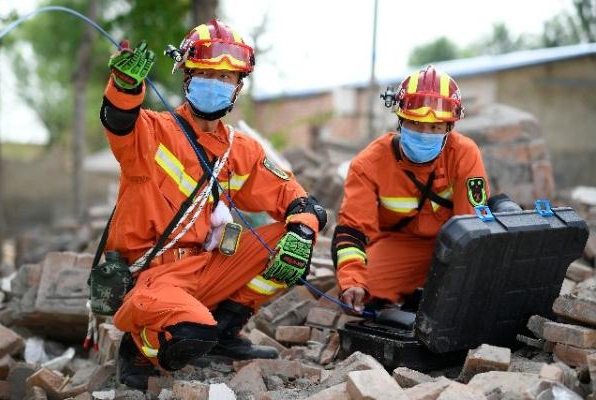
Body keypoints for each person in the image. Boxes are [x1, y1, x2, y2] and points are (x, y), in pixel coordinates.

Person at [100, 19, 326, 390]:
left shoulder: (241, 150)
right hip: (151, 276)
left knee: (291, 247)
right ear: (186, 75)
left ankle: (224, 330)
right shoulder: (151, 131)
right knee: (190, 336)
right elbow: (119, 120)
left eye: (226, 77)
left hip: (206, 265)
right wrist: (126, 86)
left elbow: (294, 196)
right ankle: (138, 346)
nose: (216, 84)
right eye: (206, 72)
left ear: (238, 86)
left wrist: (302, 230)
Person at [332, 65, 490, 314]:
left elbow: (472, 228)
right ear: (401, 121)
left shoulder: (464, 154)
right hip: (402, 246)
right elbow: (353, 230)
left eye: (435, 127)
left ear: (449, 128)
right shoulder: (368, 164)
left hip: (455, 246)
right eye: (416, 124)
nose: (425, 134)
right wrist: (352, 282)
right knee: (365, 288)